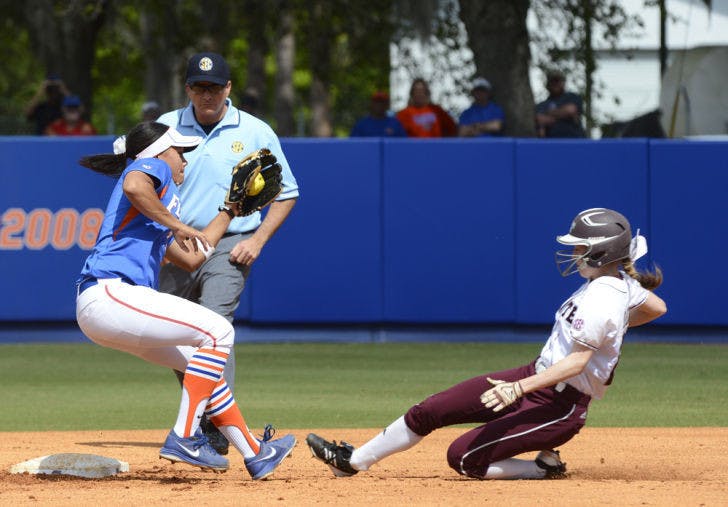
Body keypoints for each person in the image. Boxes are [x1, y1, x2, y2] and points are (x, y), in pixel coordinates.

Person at [307, 207, 667, 480]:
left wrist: (518, 389)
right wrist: (618, 325)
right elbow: (657, 306)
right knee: (430, 410)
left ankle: (543, 469)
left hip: (561, 405)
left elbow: (575, 364)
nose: (573, 254)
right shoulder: (614, 286)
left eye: (580, 247)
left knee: (463, 458)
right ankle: (352, 462)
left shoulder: (603, 298)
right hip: (536, 377)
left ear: (600, 253)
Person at [75, 121, 296, 480]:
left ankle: (256, 453)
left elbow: (195, 257)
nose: (183, 162)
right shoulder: (150, 167)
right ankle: (186, 436)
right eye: (180, 152)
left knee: (200, 363)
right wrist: (177, 225)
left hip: (111, 306)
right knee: (218, 332)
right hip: (111, 293)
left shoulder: (155, 215)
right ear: (159, 152)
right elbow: (134, 184)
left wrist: (231, 208)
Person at [156, 52, 299, 454]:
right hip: (177, 246)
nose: (207, 94)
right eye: (200, 87)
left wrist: (256, 241)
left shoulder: (254, 131)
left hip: (228, 245)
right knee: (174, 336)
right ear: (188, 89)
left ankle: (217, 429)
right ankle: (208, 415)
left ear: (228, 88)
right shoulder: (166, 129)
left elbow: (287, 193)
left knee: (216, 329)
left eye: (215, 87)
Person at [535, 70, 586, 138]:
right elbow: (540, 120)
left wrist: (549, 114)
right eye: (552, 81)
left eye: (557, 81)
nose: (555, 84)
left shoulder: (573, 97)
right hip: (552, 144)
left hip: (575, 142)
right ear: (548, 83)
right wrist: (562, 114)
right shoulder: (542, 105)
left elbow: (570, 110)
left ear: (563, 82)